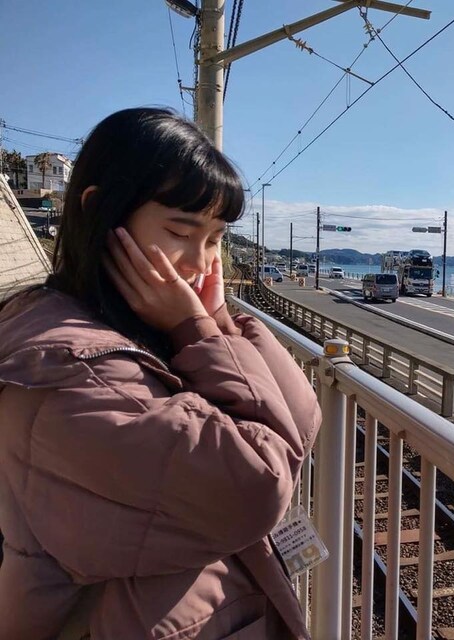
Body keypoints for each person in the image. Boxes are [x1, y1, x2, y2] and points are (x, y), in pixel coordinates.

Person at [0, 108, 321, 640]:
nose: (200, 262)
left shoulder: (144, 331)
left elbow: (301, 416)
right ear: (100, 212)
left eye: (215, 239)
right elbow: (261, 484)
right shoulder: (71, 371)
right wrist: (198, 331)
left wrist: (218, 324)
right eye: (180, 231)